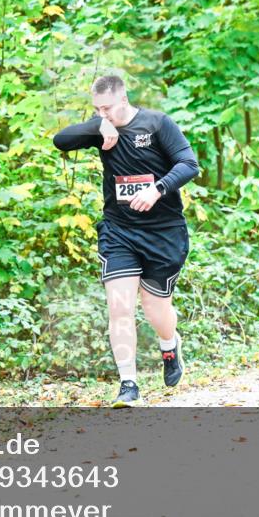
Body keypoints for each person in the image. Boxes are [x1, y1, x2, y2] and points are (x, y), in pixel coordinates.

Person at [53, 75, 200, 407]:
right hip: (119, 231)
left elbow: (189, 164)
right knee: (119, 307)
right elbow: (60, 141)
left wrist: (157, 188)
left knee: (155, 307)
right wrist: (97, 126)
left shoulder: (157, 123)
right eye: (97, 108)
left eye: (107, 108)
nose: (102, 113)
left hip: (164, 231)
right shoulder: (101, 126)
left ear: (124, 99)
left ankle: (169, 345)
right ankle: (128, 384)